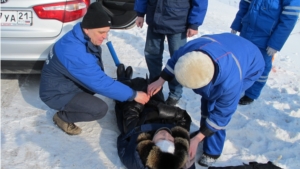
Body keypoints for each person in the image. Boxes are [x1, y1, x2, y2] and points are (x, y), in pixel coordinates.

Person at [147, 33, 265, 167]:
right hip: (230, 45)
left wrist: (197, 138)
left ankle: (212, 151)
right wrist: (161, 80)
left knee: (215, 106)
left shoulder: (231, 84)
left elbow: (222, 114)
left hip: (251, 63)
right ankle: (205, 131)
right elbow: (175, 61)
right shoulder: (190, 52)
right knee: (208, 101)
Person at [39, 2, 149, 135]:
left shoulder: (81, 36)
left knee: (96, 86)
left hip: (63, 83)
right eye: (101, 32)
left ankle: (76, 102)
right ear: (86, 29)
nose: (105, 36)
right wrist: (134, 95)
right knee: (99, 109)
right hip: (55, 93)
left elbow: (95, 74)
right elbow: (99, 82)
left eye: (107, 32)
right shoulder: (74, 51)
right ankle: (62, 117)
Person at [115, 64, 195, 169]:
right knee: (154, 87)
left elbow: (131, 110)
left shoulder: (137, 134)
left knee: (129, 88)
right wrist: (160, 108)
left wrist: (142, 98)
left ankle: (122, 78)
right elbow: (183, 117)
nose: (166, 134)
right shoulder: (178, 136)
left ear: (151, 143)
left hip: (135, 104)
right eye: (171, 140)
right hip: (156, 105)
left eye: (162, 138)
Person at [134, 0, 208, 106]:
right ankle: (154, 89)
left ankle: (175, 93)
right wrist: (140, 13)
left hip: (178, 22)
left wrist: (194, 23)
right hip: (155, 19)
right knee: (152, 55)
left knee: (179, 60)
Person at [230, 0, 300, 105]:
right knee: (242, 62)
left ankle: (251, 94)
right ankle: (235, 87)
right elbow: (245, 4)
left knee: (261, 67)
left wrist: (275, 44)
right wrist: (237, 24)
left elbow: (289, 19)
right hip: (246, 31)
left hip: (266, 39)